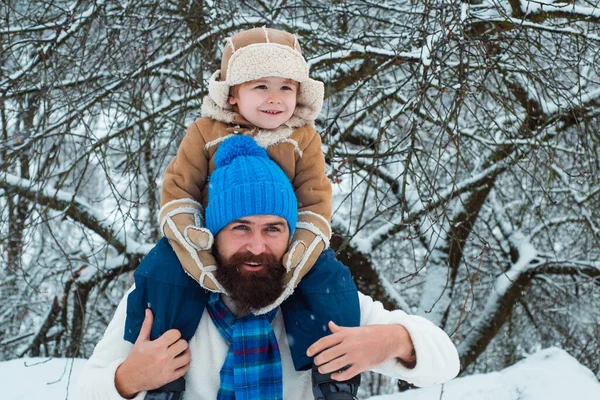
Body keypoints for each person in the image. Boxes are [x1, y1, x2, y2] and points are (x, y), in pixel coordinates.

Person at [76, 137, 461, 400]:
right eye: (240, 228)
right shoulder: (163, 298)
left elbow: (445, 362)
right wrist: (126, 380)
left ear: (291, 235)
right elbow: (83, 391)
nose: (257, 246)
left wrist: (390, 341)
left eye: (273, 229)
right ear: (213, 234)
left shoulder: (321, 298)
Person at [124, 26, 362, 397]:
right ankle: (162, 374)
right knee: (163, 275)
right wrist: (191, 237)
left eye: (286, 87)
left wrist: (301, 246)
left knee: (329, 279)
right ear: (233, 95)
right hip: (207, 242)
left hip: (288, 245)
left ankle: (334, 375)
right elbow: (178, 189)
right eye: (260, 86)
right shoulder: (206, 131)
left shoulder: (304, 137)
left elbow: (315, 200)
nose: (275, 98)